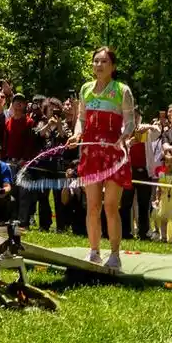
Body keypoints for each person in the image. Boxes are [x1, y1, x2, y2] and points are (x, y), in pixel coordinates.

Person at [68, 46, 135, 270]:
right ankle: (94, 251)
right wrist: (77, 134)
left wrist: (125, 137)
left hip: (114, 153)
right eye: (96, 61)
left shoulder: (121, 90)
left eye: (104, 61)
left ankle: (115, 254)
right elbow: (81, 119)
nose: (98, 65)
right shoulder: (85, 89)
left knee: (110, 205)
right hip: (90, 152)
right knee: (93, 205)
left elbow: (130, 122)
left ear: (113, 66)